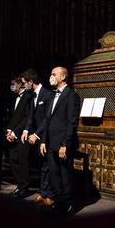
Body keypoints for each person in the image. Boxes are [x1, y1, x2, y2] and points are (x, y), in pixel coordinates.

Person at [40, 66, 80, 215]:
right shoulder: (51, 95)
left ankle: (68, 203)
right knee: (53, 174)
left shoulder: (71, 96)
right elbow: (47, 120)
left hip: (63, 144)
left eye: (53, 74)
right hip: (50, 143)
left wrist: (65, 144)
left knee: (65, 175)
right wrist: (44, 141)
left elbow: (72, 122)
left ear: (63, 77)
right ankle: (58, 201)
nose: (51, 77)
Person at [20, 69, 53, 205]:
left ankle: (49, 195)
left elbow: (47, 118)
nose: (23, 86)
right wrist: (26, 131)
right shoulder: (32, 95)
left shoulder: (47, 94)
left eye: (24, 83)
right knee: (41, 165)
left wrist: (36, 134)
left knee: (47, 165)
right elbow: (31, 116)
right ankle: (43, 192)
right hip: (37, 135)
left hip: (47, 136)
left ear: (31, 82)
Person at [6, 74, 33, 197]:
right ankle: (19, 186)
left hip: (22, 134)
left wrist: (15, 132)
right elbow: (13, 117)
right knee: (13, 160)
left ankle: (25, 188)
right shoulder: (14, 97)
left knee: (22, 161)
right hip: (12, 133)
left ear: (20, 84)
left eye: (13, 84)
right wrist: (9, 130)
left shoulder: (28, 96)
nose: (12, 86)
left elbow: (27, 117)